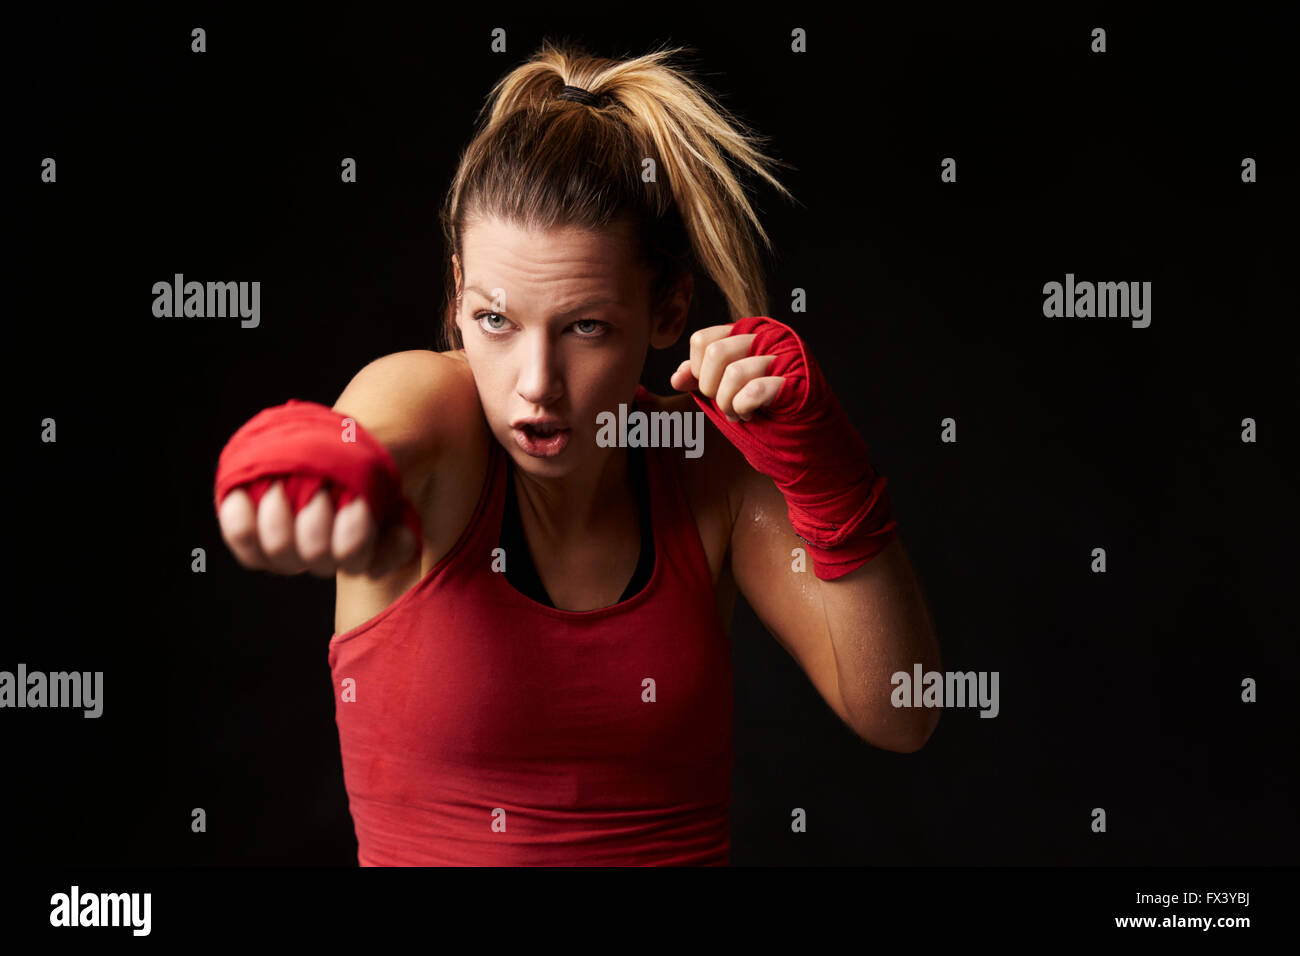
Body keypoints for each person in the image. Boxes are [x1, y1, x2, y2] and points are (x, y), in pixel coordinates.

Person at [213, 40, 941, 866]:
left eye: (585, 327)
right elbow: (360, 437)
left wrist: (827, 470)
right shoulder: (438, 413)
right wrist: (297, 461)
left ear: (666, 308)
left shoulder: (704, 468)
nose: (535, 384)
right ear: (457, 297)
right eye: (495, 319)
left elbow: (900, 712)